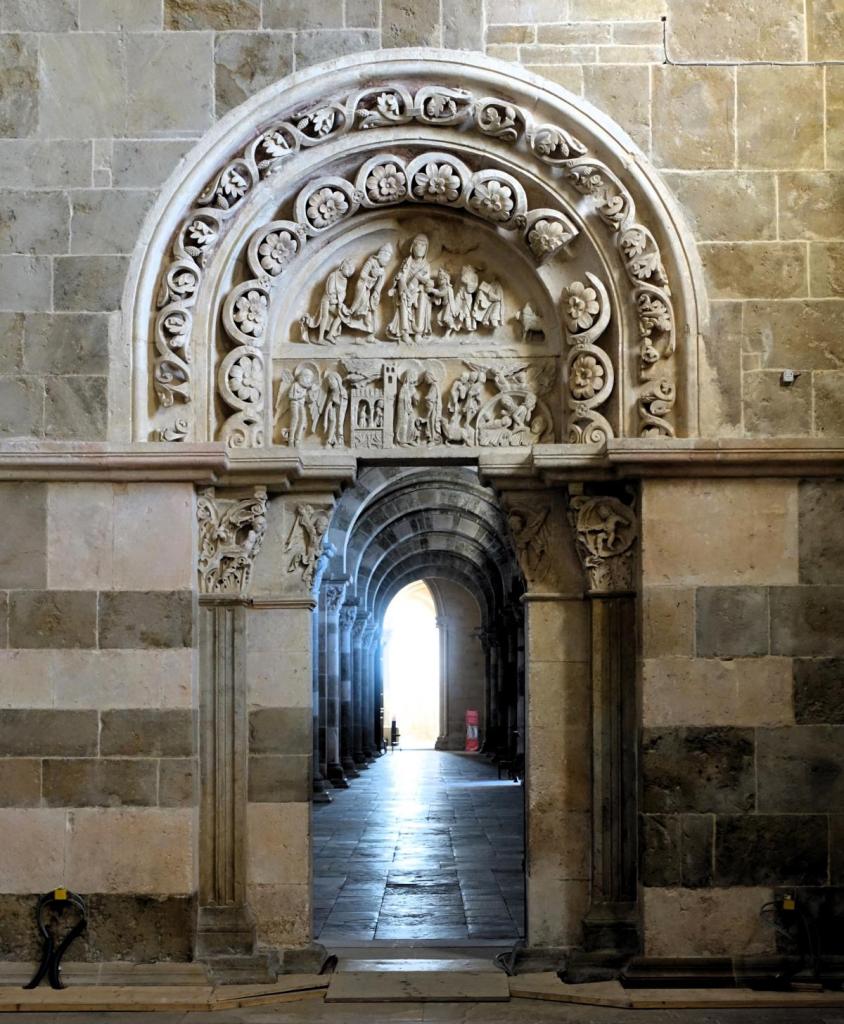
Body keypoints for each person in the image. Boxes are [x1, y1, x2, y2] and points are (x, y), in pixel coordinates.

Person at [387, 234, 435, 343]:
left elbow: (426, 281)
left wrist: (420, 280)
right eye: (418, 245)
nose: (420, 248)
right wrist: (404, 289)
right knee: (403, 297)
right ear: (412, 247)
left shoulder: (426, 265)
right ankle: (404, 332)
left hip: (419, 292)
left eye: (423, 246)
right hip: (406, 291)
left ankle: (418, 332)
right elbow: (401, 278)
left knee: (423, 298)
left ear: (426, 249)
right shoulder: (406, 262)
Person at [300, 258, 355, 344]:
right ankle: (320, 339)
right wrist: (334, 299)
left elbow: (343, 293)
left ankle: (330, 334)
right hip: (327, 300)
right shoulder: (333, 275)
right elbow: (330, 290)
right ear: (343, 266)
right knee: (324, 317)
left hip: (335, 302)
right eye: (348, 270)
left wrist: (339, 302)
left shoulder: (345, 280)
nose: (348, 273)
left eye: (350, 273)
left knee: (341, 316)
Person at [347, 245, 392, 338]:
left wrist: (376, 293)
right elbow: (362, 274)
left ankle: (369, 329)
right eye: (385, 258)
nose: (386, 262)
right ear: (380, 256)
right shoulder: (371, 262)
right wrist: (372, 275)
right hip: (362, 287)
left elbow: (380, 283)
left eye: (388, 260)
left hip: (368, 290)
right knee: (360, 307)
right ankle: (349, 316)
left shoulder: (382, 270)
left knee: (368, 308)